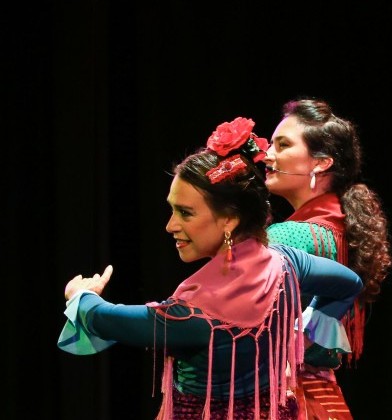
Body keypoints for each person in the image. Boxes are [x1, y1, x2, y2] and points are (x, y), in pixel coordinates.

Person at [57, 117, 364, 420]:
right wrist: (299, 338)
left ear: (230, 219)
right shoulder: (286, 261)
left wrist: (81, 298)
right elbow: (349, 283)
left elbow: (108, 319)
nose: (170, 225)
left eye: (185, 213)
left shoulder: (196, 314)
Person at [262, 98, 392, 419]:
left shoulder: (289, 237)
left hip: (285, 400)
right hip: (321, 399)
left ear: (320, 163)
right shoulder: (336, 229)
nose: (267, 155)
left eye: (283, 145)